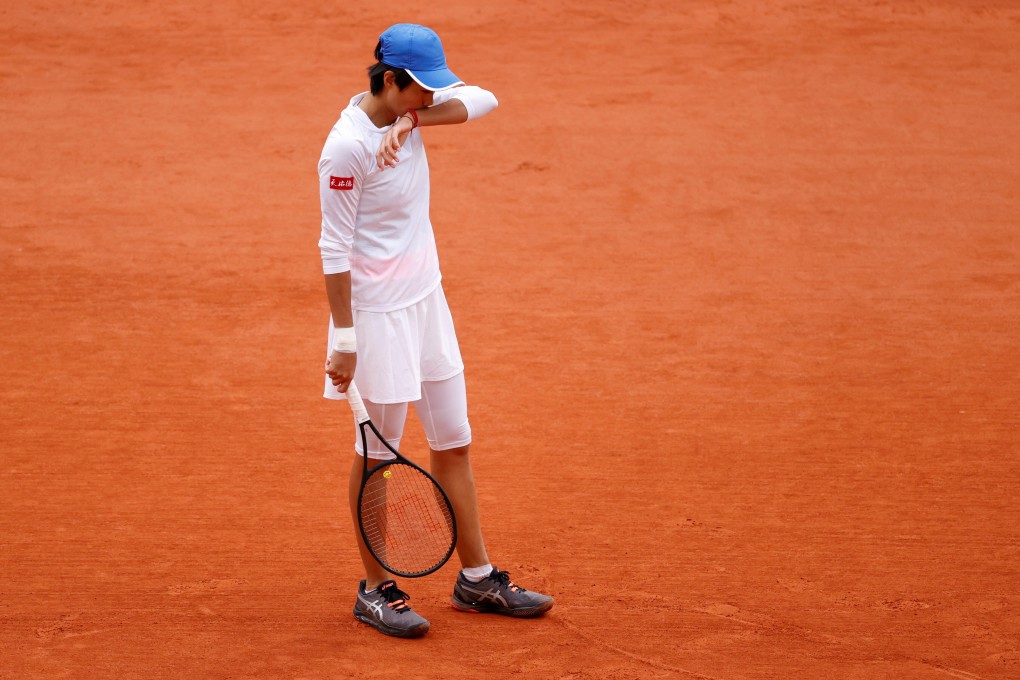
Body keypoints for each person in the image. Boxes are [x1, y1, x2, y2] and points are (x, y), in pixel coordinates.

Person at [317, 23, 553, 638]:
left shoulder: (408, 115)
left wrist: (414, 122)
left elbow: (484, 99)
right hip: (374, 320)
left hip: (427, 306)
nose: (430, 97)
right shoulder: (344, 150)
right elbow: (333, 248)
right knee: (379, 458)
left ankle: (476, 579)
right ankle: (375, 590)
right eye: (419, 91)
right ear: (390, 80)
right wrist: (344, 340)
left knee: (453, 440)